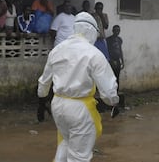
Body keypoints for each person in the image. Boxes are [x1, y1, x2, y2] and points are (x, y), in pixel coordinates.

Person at [38, 12, 119, 162]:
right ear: (91, 31)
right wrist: (114, 102)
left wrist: (42, 99)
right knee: (79, 156)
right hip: (80, 108)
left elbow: (43, 82)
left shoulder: (57, 50)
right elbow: (108, 92)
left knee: (65, 143)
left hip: (58, 104)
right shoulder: (94, 54)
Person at [106, 25, 124, 92]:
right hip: (111, 61)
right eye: (115, 30)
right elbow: (107, 51)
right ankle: (110, 92)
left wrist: (122, 61)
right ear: (113, 31)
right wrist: (110, 60)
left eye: (118, 30)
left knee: (117, 77)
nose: (117, 32)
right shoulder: (108, 40)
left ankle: (117, 92)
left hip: (118, 61)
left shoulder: (120, 39)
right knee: (111, 78)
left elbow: (120, 50)